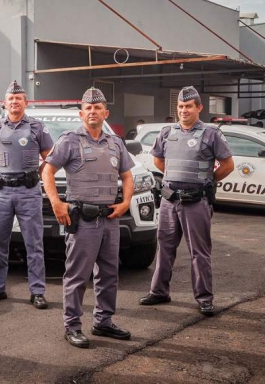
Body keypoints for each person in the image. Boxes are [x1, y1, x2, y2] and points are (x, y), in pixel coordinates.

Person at [42, 87, 135, 349]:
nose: (93, 112)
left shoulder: (116, 142)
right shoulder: (69, 140)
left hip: (110, 219)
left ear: (105, 113)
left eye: (98, 108)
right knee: (77, 275)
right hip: (83, 220)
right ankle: (72, 326)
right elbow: (47, 172)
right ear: (81, 113)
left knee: (108, 274)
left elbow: (127, 176)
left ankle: (103, 322)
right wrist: (57, 203)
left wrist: (126, 202)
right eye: (88, 108)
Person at [139, 86, 234, 316]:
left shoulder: (211, 134)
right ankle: (159, 291)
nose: (184, 110)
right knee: (164, 249)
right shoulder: (167, 133)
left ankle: (204, 298)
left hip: (196, 202)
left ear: (199, 108)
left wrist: (208, 181)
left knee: (199, 252)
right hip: (170, 201)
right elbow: (159, 162)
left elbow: (228, 165)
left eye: (188, 106)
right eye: (180, 106)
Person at [0, 80, 53, 310]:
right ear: (5, 102)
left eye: (18, 99)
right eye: (10, 99)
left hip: (29, 192)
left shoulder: (36, 127)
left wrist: (35, 175)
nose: (14, 102)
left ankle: (37, 291)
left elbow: (50, 157)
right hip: (2, 192)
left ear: (25, 102)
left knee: (34, 244)